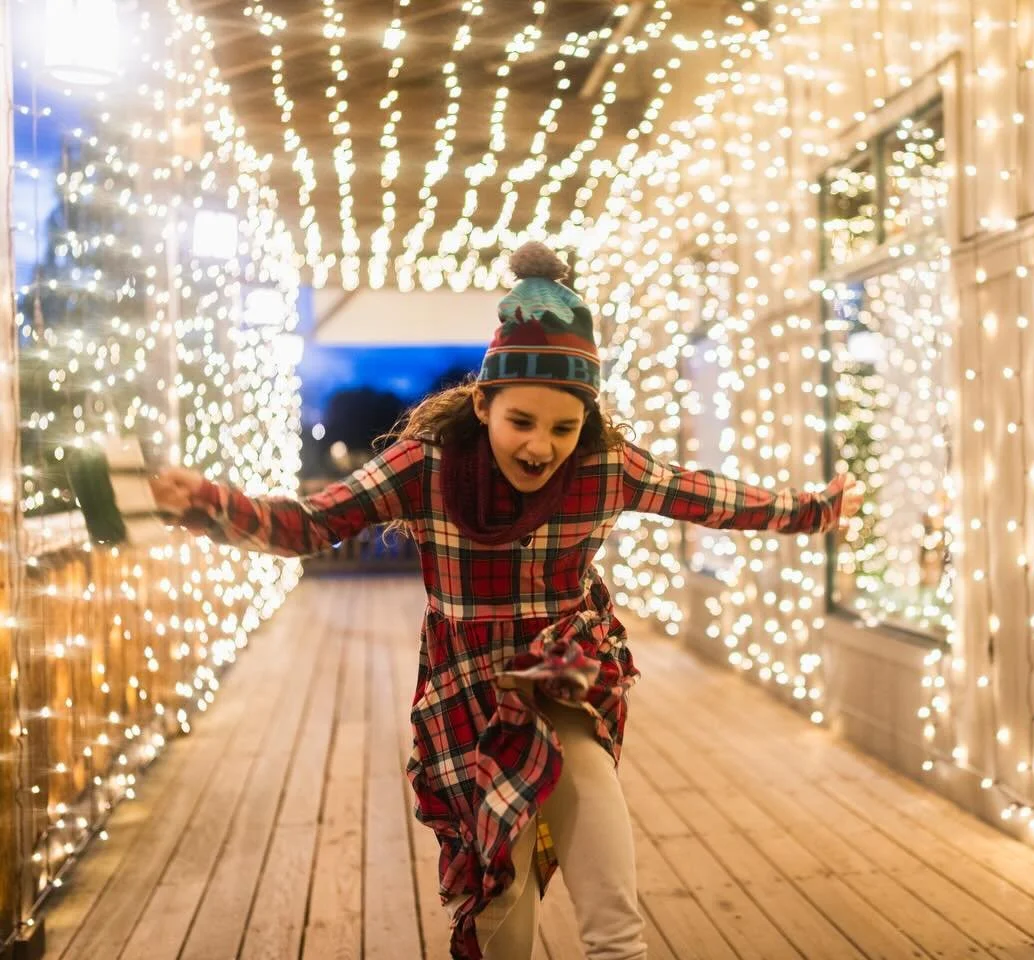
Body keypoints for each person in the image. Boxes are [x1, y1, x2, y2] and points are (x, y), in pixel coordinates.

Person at [149, 241, 861, 960]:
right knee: (500, 893)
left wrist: (811, 511)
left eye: (564, 426)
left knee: (607, 876)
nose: (541, 446)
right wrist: (212, 505)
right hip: (467, 691)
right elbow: (312, 523)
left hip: (563, 669)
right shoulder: (424, 467)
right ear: (484, 401)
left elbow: (708, 496)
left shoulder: (605, 467)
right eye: (521, 421)